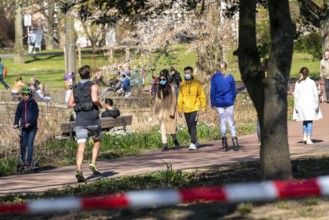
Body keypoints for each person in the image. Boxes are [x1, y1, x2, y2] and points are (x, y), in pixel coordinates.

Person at [68, 65, 105, 182]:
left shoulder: (75, 88)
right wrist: (100, 104)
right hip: (92, 119)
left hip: (80, 121)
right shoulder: (93, 86)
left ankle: (79, 170)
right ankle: (93, 162)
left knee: (81, 147)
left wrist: (78, 106)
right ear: (89, 75)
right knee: (97, 140)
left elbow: (69, 103)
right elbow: (94, 99)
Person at [210, 62, 239, 151]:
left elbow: (213, 91)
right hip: (229, 101)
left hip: (219, 102)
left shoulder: (215, 77)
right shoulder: (230, 77)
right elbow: (234, 90)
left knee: (222, 121)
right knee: (230, 120)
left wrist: (212, 102)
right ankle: (234, 138)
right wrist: (232, 99)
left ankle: (224, 139)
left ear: (219, 67)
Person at [178, 66, 207, 150]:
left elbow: (202, 96)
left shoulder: (197, 83)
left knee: (193, 125)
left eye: (188, 73)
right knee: (189, 126)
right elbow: (180, 98)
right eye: (185, 73)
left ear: (191, 73)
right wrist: (179, 109)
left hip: (195, 107)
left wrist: (203, 107)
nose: (187, 74)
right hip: (186, 108)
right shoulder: (182, 84)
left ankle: (193, 142)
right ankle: (195, 141)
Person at [293, 67, 322, 145]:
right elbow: (315, 94)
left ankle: (304, 136)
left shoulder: (297, 83)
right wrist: (317, 103)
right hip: (310, 104)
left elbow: (295, 95)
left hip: (301, 105)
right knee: (309, 121)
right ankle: (309, 138)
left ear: (301, 73)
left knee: (304, 120)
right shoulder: (312, 82)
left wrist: (295, 105)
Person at [13, 86, 39, 169]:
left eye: (26, 95)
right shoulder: (20, 104)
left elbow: (35, 115)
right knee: (23, 145)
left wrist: (30, 123)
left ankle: (29, 161)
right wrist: (16, 123)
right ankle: (23, 161)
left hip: (32, 128)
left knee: (30, 144)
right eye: (23, 95)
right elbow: (17, 115)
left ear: (30, 95)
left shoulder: (33, 103)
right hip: (23, 127)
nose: (24, 96)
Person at [154, 70, 180, 151]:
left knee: (172, 130)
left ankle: (175, 141)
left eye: (163, 79)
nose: (162, 81)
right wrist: (156, 113)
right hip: (161, 113)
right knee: (163, 128)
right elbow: (157, 102)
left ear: (166, 79)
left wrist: (172, 111)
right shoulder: (158, 89)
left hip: (169, 112)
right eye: (160, 80)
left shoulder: (171, 88)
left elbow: (174, 100)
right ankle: (165, 144)